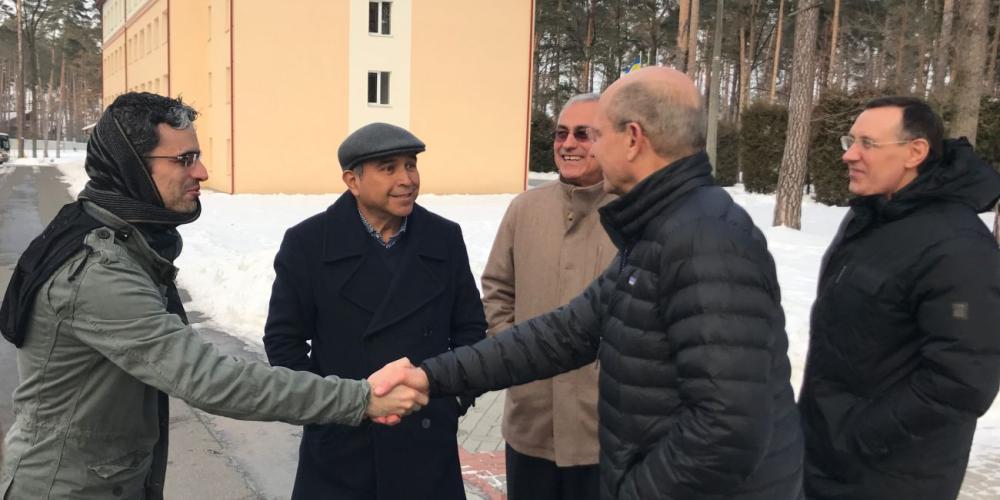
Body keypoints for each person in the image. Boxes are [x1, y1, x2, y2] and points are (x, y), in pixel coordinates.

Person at [371, 66, 804, 500]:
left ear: (633, 139)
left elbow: (727, 427)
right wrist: (428, 376)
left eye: (595, 134)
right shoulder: (660, 230)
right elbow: (562, 334)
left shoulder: (705, 238)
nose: (584, 146)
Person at [0, 93, 426, 499]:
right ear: (130, 166)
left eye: (198, 156)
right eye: (184, 159)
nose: (202, 172)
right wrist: (360, 398)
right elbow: (208, 378)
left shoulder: (125, 239)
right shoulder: (99, 272)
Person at [263, 122, 487, 500]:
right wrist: (326, 409)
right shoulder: (308, 243)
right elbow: (283, 341)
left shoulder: (443, 237)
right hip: (341, 446)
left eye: (411, 165)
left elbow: (470, 329)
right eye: (389, 168)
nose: (407, 179)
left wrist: (452, 399)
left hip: (426, 440)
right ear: (352, 180)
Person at [797, 96, 1000, 500]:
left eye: (867, 144)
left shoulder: (958, 247)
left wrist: (856, 435)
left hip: (891, 476)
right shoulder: (869, 217)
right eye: (849, 141)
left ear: (915, 152)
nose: (849, 155)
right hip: (825, 458)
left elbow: (961, 380)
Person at [481, 93, 615, 500]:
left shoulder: (634, 214)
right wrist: (517, 356)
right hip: (530, 424)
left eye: (582, 133)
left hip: (604, 433)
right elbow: (497, 291)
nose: (568, 143)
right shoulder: (525, 210)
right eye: (560, 133)